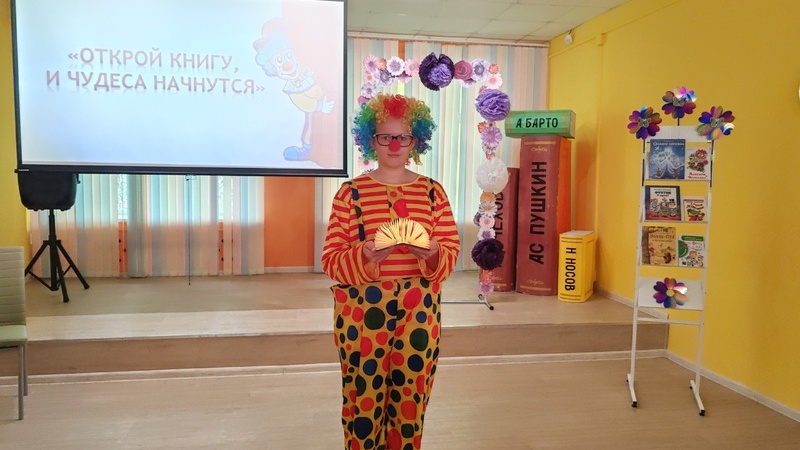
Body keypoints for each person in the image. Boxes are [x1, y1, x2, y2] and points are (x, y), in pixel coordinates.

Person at [322, 93, 461, 450]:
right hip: (362, 313)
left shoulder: (433, 193)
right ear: (371, 140)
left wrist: (433, 254)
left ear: (417, 141)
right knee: (363, 398)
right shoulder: (350, 194)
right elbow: (331, 260)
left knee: (411, 397)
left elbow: (450, 254)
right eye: (386, 136)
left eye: (404, 137)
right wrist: (364, 255)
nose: (395, 145)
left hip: (419, 311)